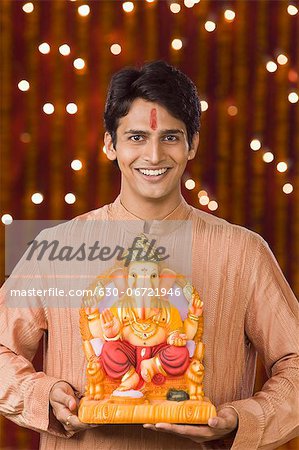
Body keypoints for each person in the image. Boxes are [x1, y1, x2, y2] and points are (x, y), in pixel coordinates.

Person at [0, 60, 298, 450]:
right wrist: (45, 396)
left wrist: (240, 419)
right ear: (111, 144)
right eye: (137, 137)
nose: (154, 155)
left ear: (192, 143)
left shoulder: (242, 252)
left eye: (171, 137)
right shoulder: (59, 247)